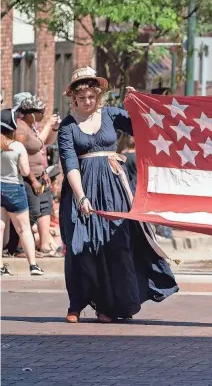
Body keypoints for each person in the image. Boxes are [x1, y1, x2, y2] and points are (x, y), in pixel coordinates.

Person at [57, 66, 178, 323]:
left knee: (115, 247)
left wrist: (136, 103)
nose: (87, 101)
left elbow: (142, 128)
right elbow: (70, 163)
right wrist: (81, 197)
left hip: (113, 188)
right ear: (74, 98)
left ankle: (110, 306)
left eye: (91, 96)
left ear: (97, 95)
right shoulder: (67, 126)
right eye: (82, 98)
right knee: (82, 247)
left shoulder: (111, 115)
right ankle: (76, 303)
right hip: (83, 187)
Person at [15, 96, 63, 257]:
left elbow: (43, 144)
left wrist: (54, 128)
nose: (43, 115)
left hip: (39, 175)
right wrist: (34, 179)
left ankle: (43, 245)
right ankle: (19, 247)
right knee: (31, 212)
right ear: (30, 113)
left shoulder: (31, 126)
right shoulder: (20, 128)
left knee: (44, 209)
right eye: (41, 112)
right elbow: (27, 150)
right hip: (28, 178)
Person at [0, 108, 44, 275]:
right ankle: (33, 265)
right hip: (14, 188)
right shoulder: (17, 147)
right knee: (24, 228)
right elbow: (25, 172)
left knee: (0, 227)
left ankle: (0, 266)